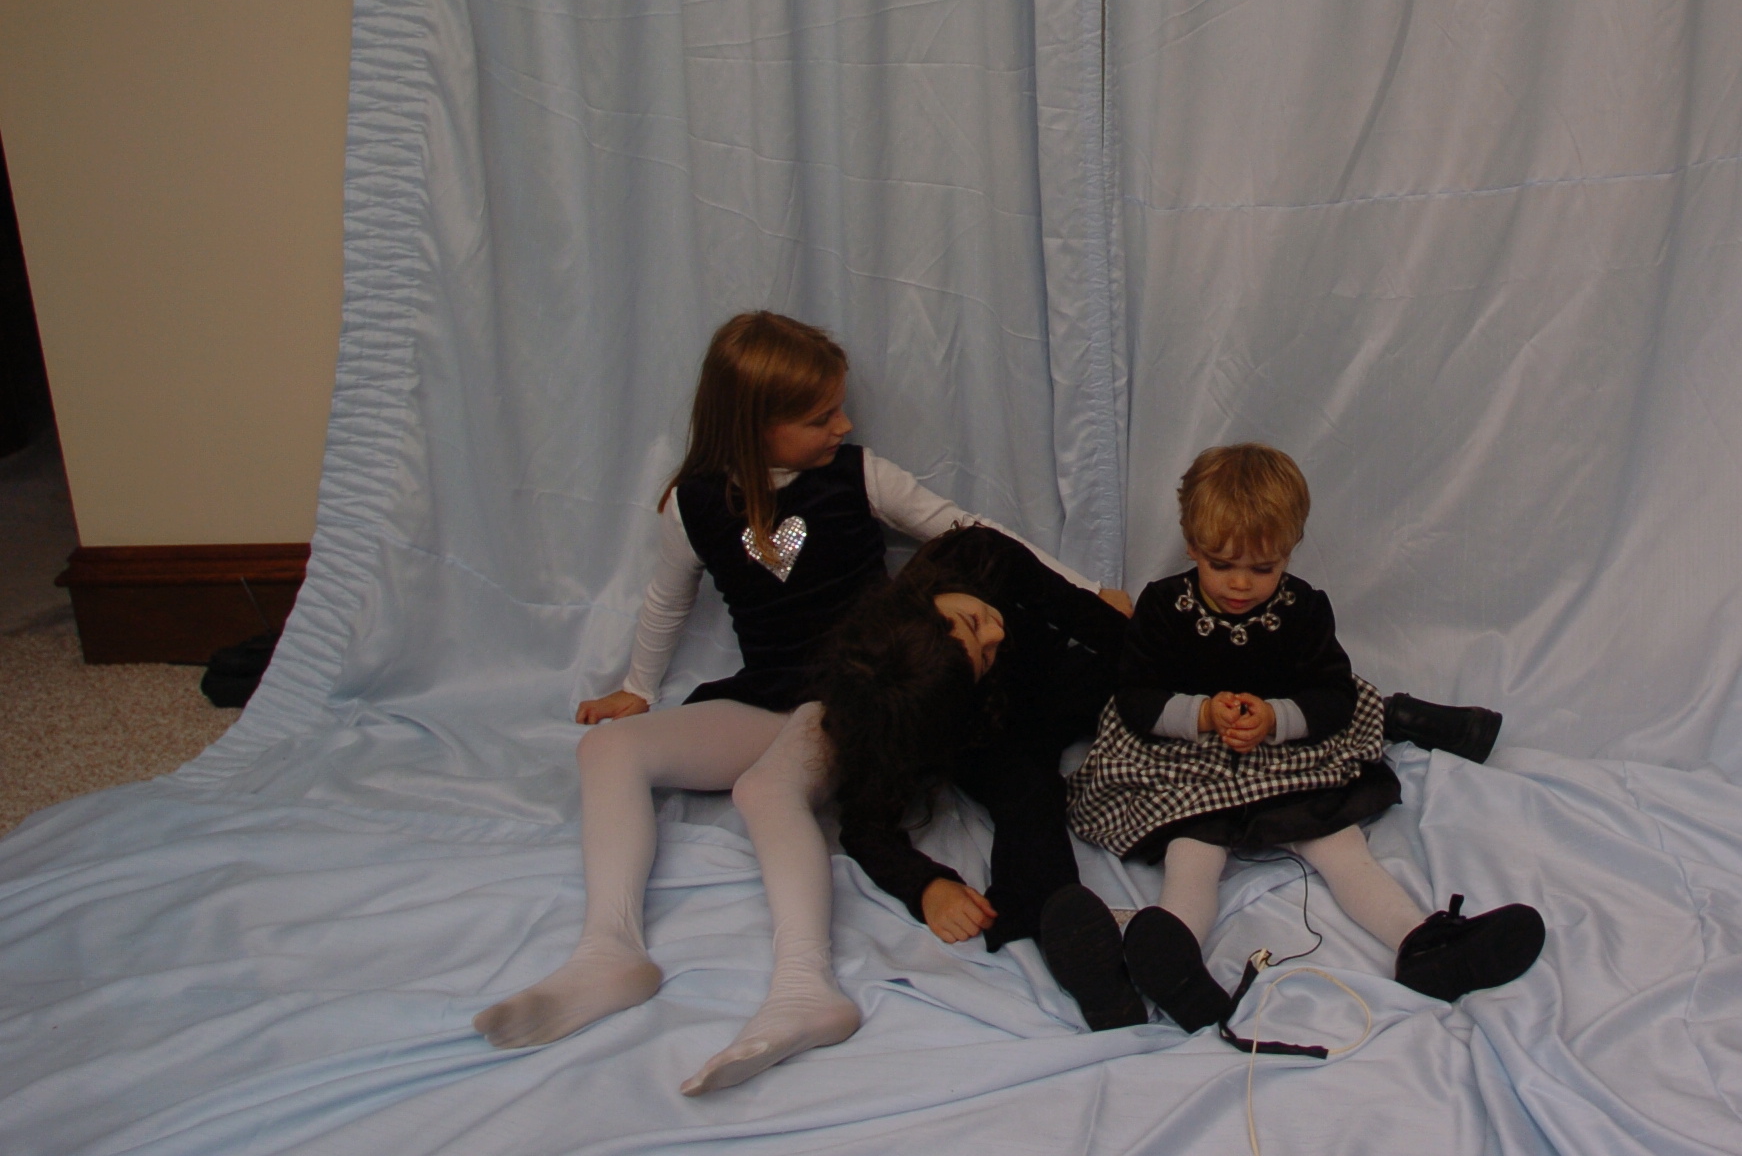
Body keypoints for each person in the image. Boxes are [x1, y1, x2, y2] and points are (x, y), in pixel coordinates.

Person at [471, 311, 1115, 1095]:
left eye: (838, 409)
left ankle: (806, 985)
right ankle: (608, 949)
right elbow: (667, 599)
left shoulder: (858, 477)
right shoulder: (694, 505)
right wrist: (638, 688)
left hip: (856, 694)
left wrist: (1089, 595)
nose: (843, 425)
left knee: (766, 788)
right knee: (606, 749)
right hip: (768, 694)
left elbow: (973, 533)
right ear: (753, 425)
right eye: (820, 417)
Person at [834, 524, 1512, 1032]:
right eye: (982, 655)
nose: (994, 635)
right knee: (1029, 803)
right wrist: (926, 884)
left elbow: (1072, 610)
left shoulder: (974, 557)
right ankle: (1089, 964)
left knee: (1212, 670)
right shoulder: (912, 708)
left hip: (1066, 677)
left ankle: (1394, 714)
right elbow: (864, 821)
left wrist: (1150, 648)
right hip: (1003, 730)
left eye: (973, 621)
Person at [1065, 445, 1545, 1030]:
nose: (1240, 584)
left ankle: (1422, 944)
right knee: (1191, 858)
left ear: (1288, 553)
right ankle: (1173, 960)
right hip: (1187, 761)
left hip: (1283, 756)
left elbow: (1332, 695)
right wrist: (1203, 714)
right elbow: (1136, 696)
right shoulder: (1164, 607)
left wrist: (1275, 719)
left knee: (1342, 848)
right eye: (1222, 564)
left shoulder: (1304, 610)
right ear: (1191, 545)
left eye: (1263, 569)